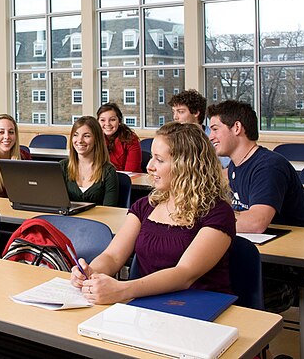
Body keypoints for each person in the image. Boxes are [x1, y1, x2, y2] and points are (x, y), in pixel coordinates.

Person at [70, 122, 235, 304]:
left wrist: (123, 289)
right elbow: (113, 256)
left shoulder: (218, 213)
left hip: (198, 307)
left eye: (160, 160)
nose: (149, 166)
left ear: (187, 166)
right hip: (148, 303)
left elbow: (184, 274)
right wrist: (91, 272)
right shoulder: (144, 206)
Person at [206, 100, 304, 312]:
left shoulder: (269, 166)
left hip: (287, 270)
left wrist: (205, 220)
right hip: (256, 257)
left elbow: (256, 223)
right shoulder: (236, 166)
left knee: (214, 291)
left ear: (236, 128)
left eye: (216, 129)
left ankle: (253, 344)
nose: (211, 136)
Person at [60, 116, 118, 206]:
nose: (79, 140)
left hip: (97, 219)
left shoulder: (108, 171)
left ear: (96, 140)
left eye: (86, 136)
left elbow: (110, 209)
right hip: (66, 219)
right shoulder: (62, 167)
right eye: (75, 135)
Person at [97, 103, 141, 172]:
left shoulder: (131, 139)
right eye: (102, 120)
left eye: (112, 120)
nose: (107, 124)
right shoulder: (95, 139)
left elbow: (130, 172)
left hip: (129, 180)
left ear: (119, 121)